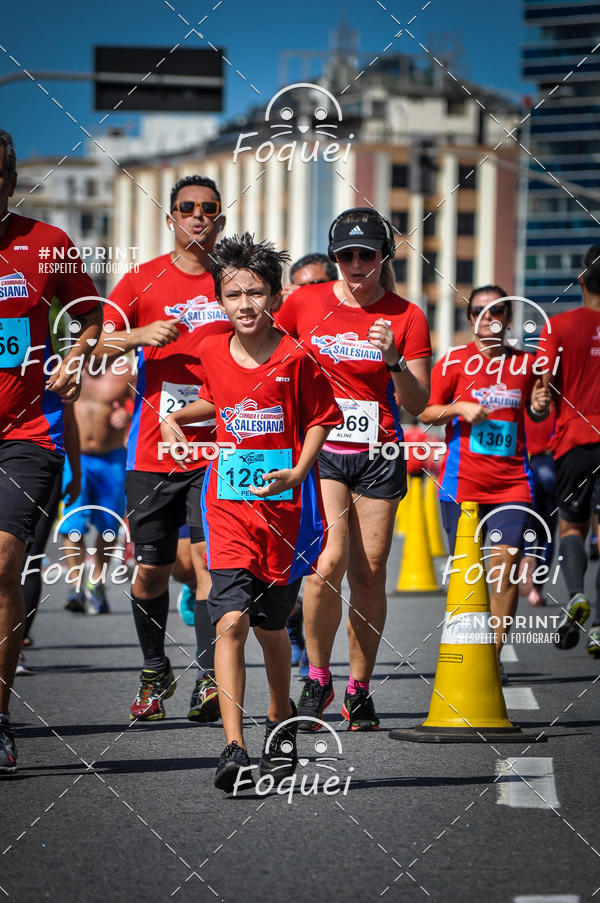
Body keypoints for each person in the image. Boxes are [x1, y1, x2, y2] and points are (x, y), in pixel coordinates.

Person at [160, 232, 342, 791]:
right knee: (230, 621)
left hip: (283, 516)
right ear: (220, 299)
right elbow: (219, 399)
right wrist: (178, 418)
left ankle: (281, 720)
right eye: (234, 294)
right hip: (228, 511)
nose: (245, 305)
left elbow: (319, 418)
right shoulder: (213, 348)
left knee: (270, 631)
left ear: (275, 296)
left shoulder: (296, 356)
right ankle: (233, 747)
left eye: (256, 293)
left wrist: (299, 470)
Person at [277, 207, 432, 731]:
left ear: (384, 257)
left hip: (380, 450)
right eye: (346, 255)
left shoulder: (406, 314)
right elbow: (268, 359)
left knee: (370, 569)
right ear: (336, 257)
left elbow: (418, 399)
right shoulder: (304, 302)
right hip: (320, 448)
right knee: (330, 559)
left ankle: (359, 689)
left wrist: (392, 361)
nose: (356, 264)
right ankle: (317, 677)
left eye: (367, 255)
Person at [96, 175, 232, 723]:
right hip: (153, 451)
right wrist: (139, 334)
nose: (197, 216)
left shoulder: (233, 281)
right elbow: (97, 343)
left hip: (220, 444)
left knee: (208, 563)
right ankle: (155, 670)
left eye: (208, 209)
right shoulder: (141, 279)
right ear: (171, 217)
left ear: (219, 220)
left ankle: (208, 677)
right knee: (152, 569)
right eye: (187, 208)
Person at [0, 129, 102, 773]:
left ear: (7, 182)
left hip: (26, 432)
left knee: (3, 561)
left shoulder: (46, 245)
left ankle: (0, 715)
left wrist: (73, 354)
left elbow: (91, 311)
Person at [421, 286, 552, 678]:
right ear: (470, 318)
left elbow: (539, 408)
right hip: (460, 485)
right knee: (467, 574)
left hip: (512, 484)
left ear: (509, 319)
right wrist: (458, 407)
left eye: (496, 312)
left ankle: (491, 660)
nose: (486, 319)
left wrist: (539, 407)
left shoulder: (526, 365)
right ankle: (465, 656)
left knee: (504, 572)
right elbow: (427, 413)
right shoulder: (453, 362)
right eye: (479, 311)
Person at [539, 246, 600, 656]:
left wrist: (542, 400)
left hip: (575, 442)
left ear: (581, 281)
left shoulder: (559, 326)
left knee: (572, 527)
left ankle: (577, 594)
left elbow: (542, 388)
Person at [281, 253, 338, 676]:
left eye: (316, 284)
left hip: (341, 452)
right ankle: (292, 623)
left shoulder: (347, 323)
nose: (307, 294)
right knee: (283, 558)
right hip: (287, 454)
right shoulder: (285, 327)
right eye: (298, 286)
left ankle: (315, 665)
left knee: (321, 561)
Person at [59, 360, 134, 614]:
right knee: (72, 524)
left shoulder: (125, 372)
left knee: (109, 525)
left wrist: (129, 412)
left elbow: (148, 405)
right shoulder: (69, 369)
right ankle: (76, 586)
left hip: (111, 457)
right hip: (75, 456)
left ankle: (97, 582)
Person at [521, 411, 557, 607]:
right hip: (551, 463)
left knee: (528, 526)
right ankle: (537, 589)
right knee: (548, 534)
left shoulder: (523, 403)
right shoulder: (556, 404)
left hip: (528, 465)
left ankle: (526, 555)